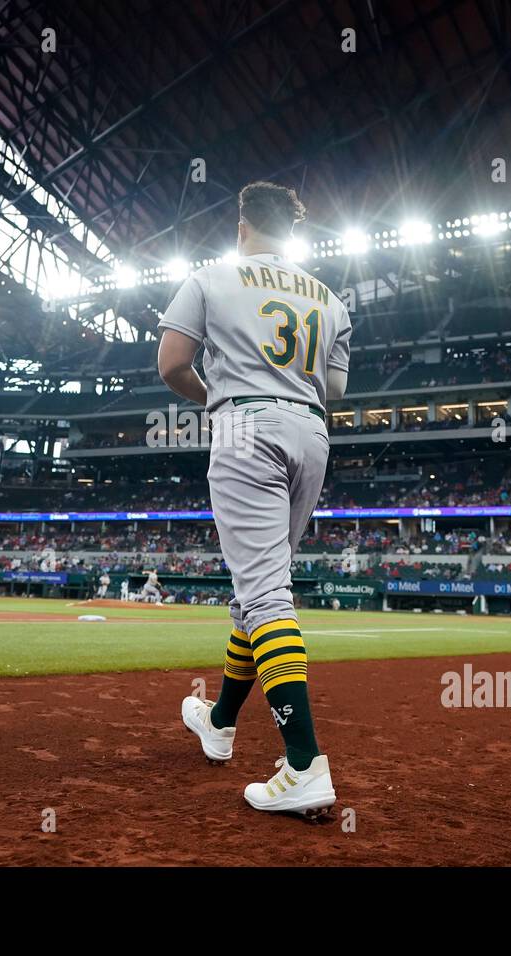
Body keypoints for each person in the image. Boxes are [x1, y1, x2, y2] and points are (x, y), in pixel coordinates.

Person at [162, 180, 351, 817]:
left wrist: (219, 401)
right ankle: (218, 722)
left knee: (267, 594)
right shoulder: (328, 297)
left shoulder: (211, 276)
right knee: (258, 589)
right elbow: (336, 387)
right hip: (312, 431)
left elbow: (171, 363)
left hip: (245, 423)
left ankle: (304, 764)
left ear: (242, 225)